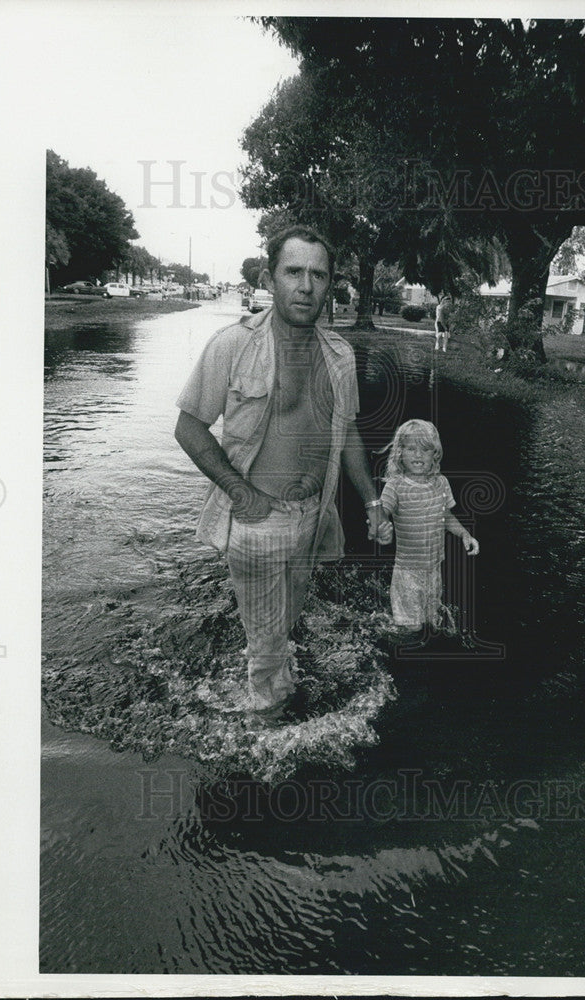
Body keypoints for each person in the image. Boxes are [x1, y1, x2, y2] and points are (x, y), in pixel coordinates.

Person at [174, 225, 389, 716]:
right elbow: (189, 427)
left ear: (330, 284)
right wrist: (239, 491)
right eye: (294, 271)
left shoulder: (340, 356)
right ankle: (265, 735)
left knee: (282, 626)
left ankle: (266, 680)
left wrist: (373, 502)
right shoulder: (232, 345)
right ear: (270, 278)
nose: (306, 285)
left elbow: (350, 433)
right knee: (269, 652)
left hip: (314, 516)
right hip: (258, 520)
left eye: (318, 275)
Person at [378, 419, 479, 631]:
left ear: (435, 454)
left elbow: (446, 515)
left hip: (433, 568)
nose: (418, 455)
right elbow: (382, 513)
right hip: (407, 570)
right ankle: (394, 648)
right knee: (411, 628)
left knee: (431, 621)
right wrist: (380, 527)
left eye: (425, 449)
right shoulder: (394, 486)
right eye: (411, 449)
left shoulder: (441, 482)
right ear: (400, 453)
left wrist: (464, 534)